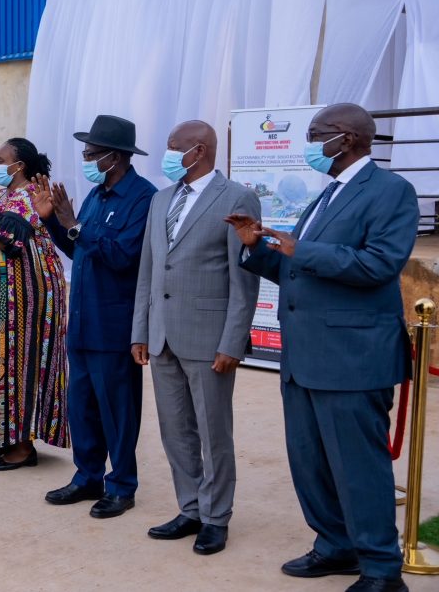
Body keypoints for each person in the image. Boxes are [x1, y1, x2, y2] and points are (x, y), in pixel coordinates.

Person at [227, 104, 417, 592]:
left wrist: (299, 249)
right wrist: (257, 248)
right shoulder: (326, 195)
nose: (308, 144)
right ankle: (336, 545)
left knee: (358, 467)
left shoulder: (392, 191)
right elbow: (297, 269)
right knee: (309, 461)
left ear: (348, 137)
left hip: (353, 359)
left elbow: (380, 264)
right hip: (305, 357)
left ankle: (380, 568)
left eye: (316, 135)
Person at [131, 120, 259, 554]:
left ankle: (216, 517)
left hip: (209, 340)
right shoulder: (161, 199)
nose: (167, 154)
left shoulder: (237, 197)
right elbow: (149, 271)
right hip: (163, 335)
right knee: (175, 431)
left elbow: (244, 279)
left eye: (173, 147)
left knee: (213, 431)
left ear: (198, 149)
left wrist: (233, 342)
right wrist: (141, 330)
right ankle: (189, 509)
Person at [33, 115, 156, 517]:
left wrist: (74, 226)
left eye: (91, 154)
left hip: (113, 324)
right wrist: (54, 221)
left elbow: (123, 257)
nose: (85, 160)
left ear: (115, 157)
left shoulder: (142, 198)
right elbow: (78, 249)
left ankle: (121, 484)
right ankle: (88, 476)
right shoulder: (96, 195)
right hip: (83, 322)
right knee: (81, 405)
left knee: (117, 409)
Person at [0, 137, 69, 470]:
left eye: (0, 158)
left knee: (19, 366)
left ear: (19, 166)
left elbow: (7, 240)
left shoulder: (30, 198)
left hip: (23, 302)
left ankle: (23, 445)